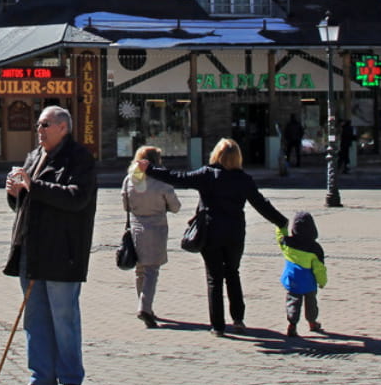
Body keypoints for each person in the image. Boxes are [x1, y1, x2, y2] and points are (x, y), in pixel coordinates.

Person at [140, 137, 287, 337]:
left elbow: (178, 177)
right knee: (233, 274)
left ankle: (218, 326)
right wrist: (282, 222)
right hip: (235, 233)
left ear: (216, 155)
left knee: (214, 278)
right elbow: (261, 204)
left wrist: (150, 169)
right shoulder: (243, 179)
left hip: (211, 232)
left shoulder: (207, 175)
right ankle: (238, 319)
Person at [4, 105, 97, 385]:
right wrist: (14, 193)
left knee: (64, 318)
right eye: (38, 124)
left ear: (63, 128)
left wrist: (34, 185)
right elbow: (26, 203)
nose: (39, 130)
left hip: (62, 250)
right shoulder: (33, 157)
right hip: (31, 249)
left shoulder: (78, 158)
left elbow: (77, 198)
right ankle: (42, 378)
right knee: (35, 318)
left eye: (45, 125)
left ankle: (71, 380)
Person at [122, 145, 181, 328]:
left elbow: (125, 204)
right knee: (151, 270)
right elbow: (176, 206)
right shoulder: (162, 180)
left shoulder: (131, 179)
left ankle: (143, 303)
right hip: (156, 228)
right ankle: (145, 308)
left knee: (140, 269)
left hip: (136, 228)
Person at [276, 211, 327, 337]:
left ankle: (292, 325)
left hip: (292, 280)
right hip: (308, 282)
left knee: (292, 302)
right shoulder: (315, 249)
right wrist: (322, 281)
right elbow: (319, 269)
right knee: (311, 304)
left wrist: (281, 226)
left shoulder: (287, 243)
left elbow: (280, 236)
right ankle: (312, 322)